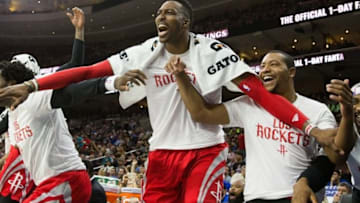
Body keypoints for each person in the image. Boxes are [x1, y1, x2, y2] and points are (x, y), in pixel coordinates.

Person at [0, 1, 343, 202]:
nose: (161, 17)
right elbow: (87, 71)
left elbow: (258, 93)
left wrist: (310, 126)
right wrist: (32, 85)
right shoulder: (144, 52)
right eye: (158, 13)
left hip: (205, 150)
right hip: (161, 153)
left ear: (186, 22)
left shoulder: (212, 51)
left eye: (170, 12)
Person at [165, 50, 354, 202]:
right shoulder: (248, 105)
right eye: (262, 66)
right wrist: (180, 77)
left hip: (298, 195)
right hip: (256, 197)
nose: (265, 70)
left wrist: (347, 115)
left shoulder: (316, 110)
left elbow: (336, 154)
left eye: (274, 64)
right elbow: (201, 113)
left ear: (291, 72)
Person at [0, 60, 146, 203]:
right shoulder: (13, 116)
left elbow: (71, 93)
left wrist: (108, 83)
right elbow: (15, 156)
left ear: (11, 84)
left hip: (68, 179)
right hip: (48, 184)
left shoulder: (34, 98)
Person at [0, 7, 86, 203]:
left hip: (49, 169)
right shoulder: (12, 110)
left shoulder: (40, 94)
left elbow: (75, 67)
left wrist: (79, 32)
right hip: (28, 163)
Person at [292, 82, 360, 203]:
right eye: (355, 102)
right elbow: (338, 155)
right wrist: (347, 115)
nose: (358, 108)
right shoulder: (350, 129)